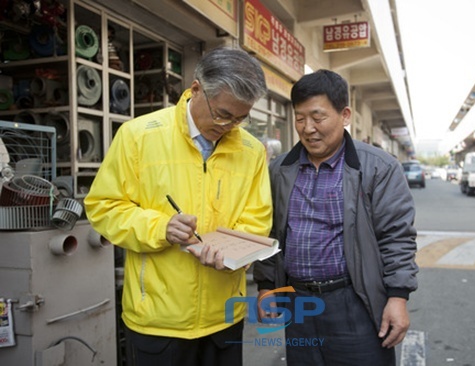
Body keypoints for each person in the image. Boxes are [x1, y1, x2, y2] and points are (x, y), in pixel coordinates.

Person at [84, 47, 272, 366]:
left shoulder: (251, 151)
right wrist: (161, 228)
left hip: (224, 314)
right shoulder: (138, 136)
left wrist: (234, 253)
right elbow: (104, 206)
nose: (229, 126)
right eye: (223, 114)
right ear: (196, 89)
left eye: (241, 118)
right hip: (158, 318)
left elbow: (257, 218)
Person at [253, 69, 418, 365]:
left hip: (354, 301)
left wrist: (398, 296)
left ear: (345, 115)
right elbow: (270, 232)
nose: (308, 128)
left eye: (318, 117)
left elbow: (396, 237)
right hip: (298, 302)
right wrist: (266, 285)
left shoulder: (378, 168)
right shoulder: (280, 170)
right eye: (300, 118)